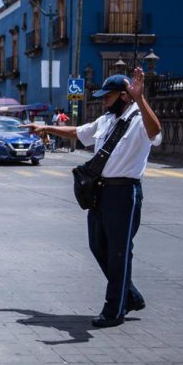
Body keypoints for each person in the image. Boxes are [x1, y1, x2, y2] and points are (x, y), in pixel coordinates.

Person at [22, 67, 161, 328]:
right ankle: (128, 295)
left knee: (120, 252)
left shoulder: (139, 118)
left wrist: (141, 99)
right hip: (101, 190)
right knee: (98, 245)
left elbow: (155, 131)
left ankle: (114, 311)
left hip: (124, 193)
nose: (102, 100)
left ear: (123, 95)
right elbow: (78, 132)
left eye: (107, 96)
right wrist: (45, 127)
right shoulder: (106, 120)